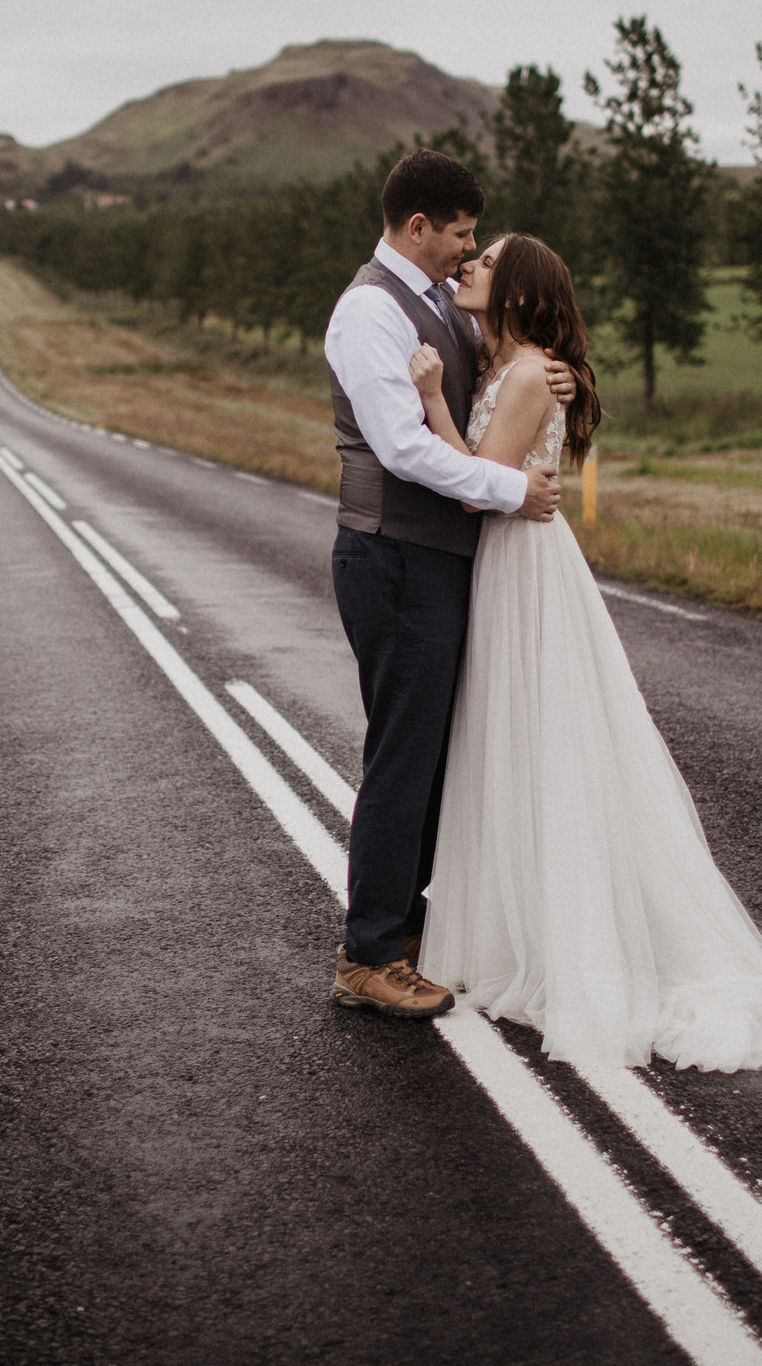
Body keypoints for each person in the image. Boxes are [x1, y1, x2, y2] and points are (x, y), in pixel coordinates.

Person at [406, 233, 762, 1070]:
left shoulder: (528, 374)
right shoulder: (510, 363)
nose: (470, 265)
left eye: (487, 262)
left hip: (523, 564)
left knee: (545, 739)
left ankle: (568, 936)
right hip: (508, 560)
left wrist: (430, 402)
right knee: (512, 739)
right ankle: (513, 920)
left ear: (516, 292)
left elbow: (479, 485)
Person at [321, 150, 572, 1019]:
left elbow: (497, 378)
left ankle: (406, 924)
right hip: (391, 555)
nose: (468, 250)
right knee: (404, 754)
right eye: (461, 234)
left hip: (438, 559)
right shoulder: (368, 312)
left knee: (434, 754)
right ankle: (368, 954)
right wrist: (510, 488)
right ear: (418, 225)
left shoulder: (438, 304)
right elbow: (402, 448)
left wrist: (547, 375)